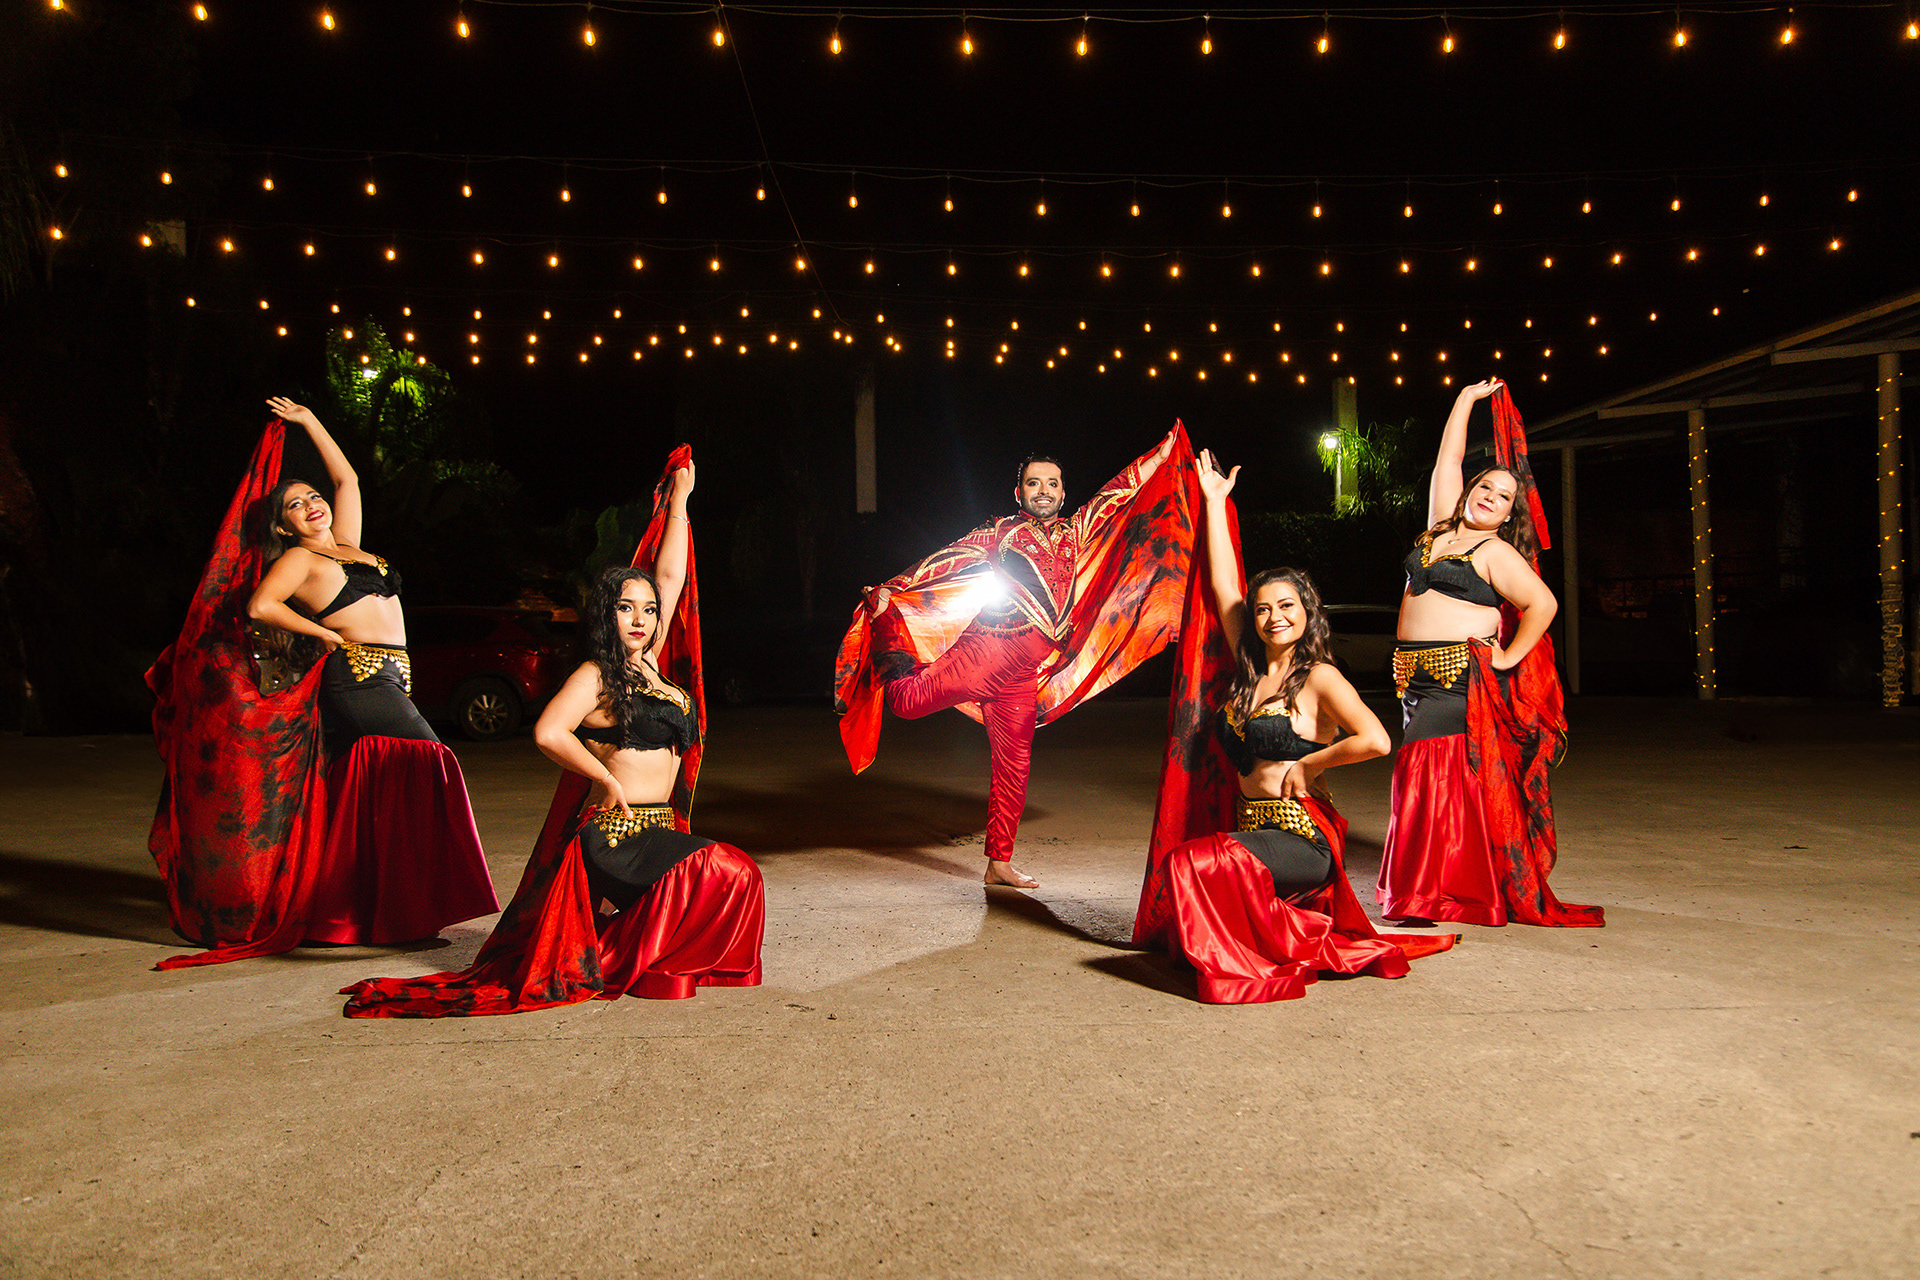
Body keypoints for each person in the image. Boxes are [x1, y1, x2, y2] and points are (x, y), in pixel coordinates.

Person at [341, 448, 764, 1017]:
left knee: (740, 877)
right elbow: (548, 732)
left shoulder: (652, 665)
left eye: (647, 610)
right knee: (721, 866)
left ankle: (640, 958)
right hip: (614, 834)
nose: (641, 619)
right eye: (625, 608)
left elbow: (670, 576)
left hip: (658, 829)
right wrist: (603, 780)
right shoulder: (597, 674)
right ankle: (623, 960)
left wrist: (681, 500)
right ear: (606, 615)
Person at [147, 403, 496, 969]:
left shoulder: (349, 545)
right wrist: (325, 634)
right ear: (283, 526)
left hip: (391, 674)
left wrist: (309, 421)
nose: (311, 505)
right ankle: (404, 899)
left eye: (312, 497)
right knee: (431, 760)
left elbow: (347, 479)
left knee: (368, 787)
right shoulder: (299, 559)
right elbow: (261, 605)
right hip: (355, 676)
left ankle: (358, 910)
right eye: (295, 505)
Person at [1135, 450, 1456, 1003]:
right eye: (1263, 609)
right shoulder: (1250, 668)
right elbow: (1224, 587)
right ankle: (1252, 951)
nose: (1273, 617)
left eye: (1286, 606)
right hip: (1255, 828)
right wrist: (1214, 503)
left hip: (1302, 838)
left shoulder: (1320, 676)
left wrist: (1311, 762)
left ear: (1308, 612)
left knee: (1190, 861)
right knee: (1189, 865)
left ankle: (1246, 973)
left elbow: (1377, 739)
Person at [834, 427, 1195, 889]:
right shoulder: (999, 531)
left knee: (1014, 769)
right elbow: (945, 559)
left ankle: (998, 863)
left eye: (1052, 483)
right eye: (1034, 483)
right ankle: (888, 630)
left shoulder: (1077, 530)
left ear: (1062, 492)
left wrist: (1161, 455)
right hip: (986, 652)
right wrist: (892, 592)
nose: (1044, 490)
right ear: (1019, 491)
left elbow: (1118, 492)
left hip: (1022, 674)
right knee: (905, 703)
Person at [1375, 380, 1604, 928]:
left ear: (1507, 514)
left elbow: (1543, 605)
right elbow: (1447, 462)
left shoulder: (1496, 551)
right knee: (1440, 777)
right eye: (1485, 486)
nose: (1489, 496)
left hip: (1460, 676)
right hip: (1414, 678)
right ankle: (1454, 885)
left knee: (1426, 772)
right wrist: (1465, 401)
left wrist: (1506, 658)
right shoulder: (1437, 531)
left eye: (1503, 496)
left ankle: (1425, 894)